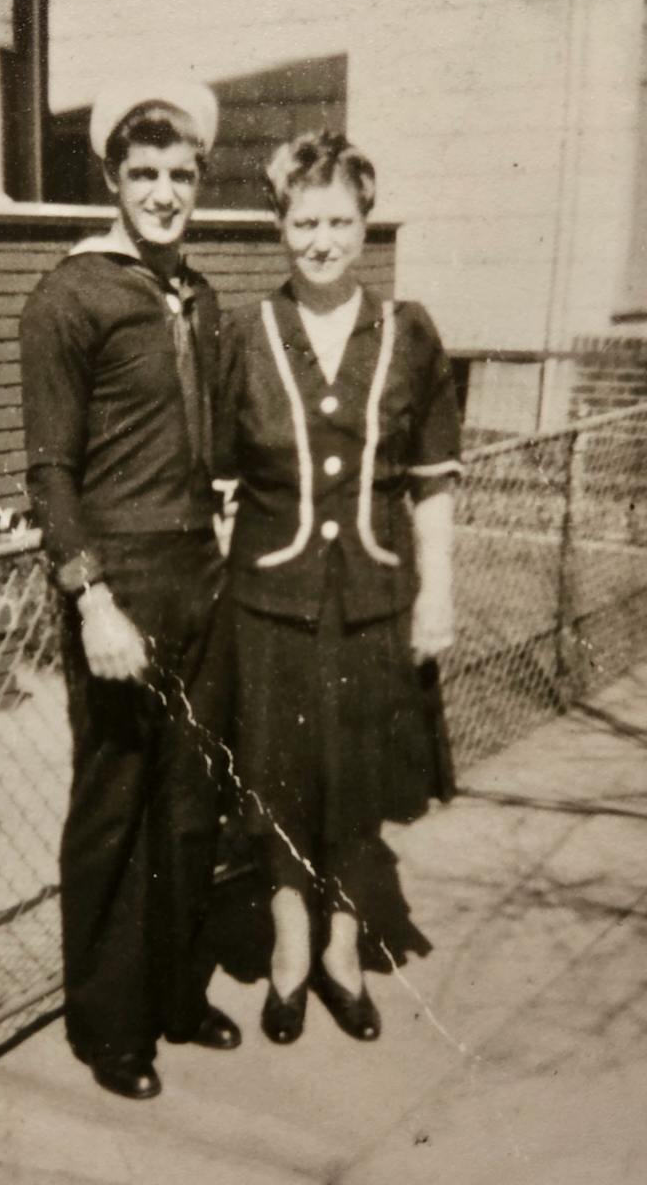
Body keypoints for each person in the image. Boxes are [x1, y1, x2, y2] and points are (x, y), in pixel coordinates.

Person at [19, 76, 240, 1100]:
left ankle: (175, 994)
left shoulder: (200, 297)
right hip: (120, 584)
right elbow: (50, 472)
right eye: (144, 173)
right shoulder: (70, 296)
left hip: (200, 576)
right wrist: (92, 599)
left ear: (199, 181)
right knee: (115, 801)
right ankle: (110, 1025)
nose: (163, 193)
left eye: (181, 175)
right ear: (111, 177)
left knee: (191, 803)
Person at [215, 130, 461, 1045]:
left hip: (374, 605)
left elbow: (432, 484)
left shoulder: (408, 333)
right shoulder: (243, 336)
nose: (322, 241)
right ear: (279, 225)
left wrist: (436, 596)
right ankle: (289, 948)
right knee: (278, 779)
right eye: (304, 222)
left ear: (365, 224)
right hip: (267, 609)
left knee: (358, 782)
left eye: (340, 222)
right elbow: (218, 489)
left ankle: (342, 952)